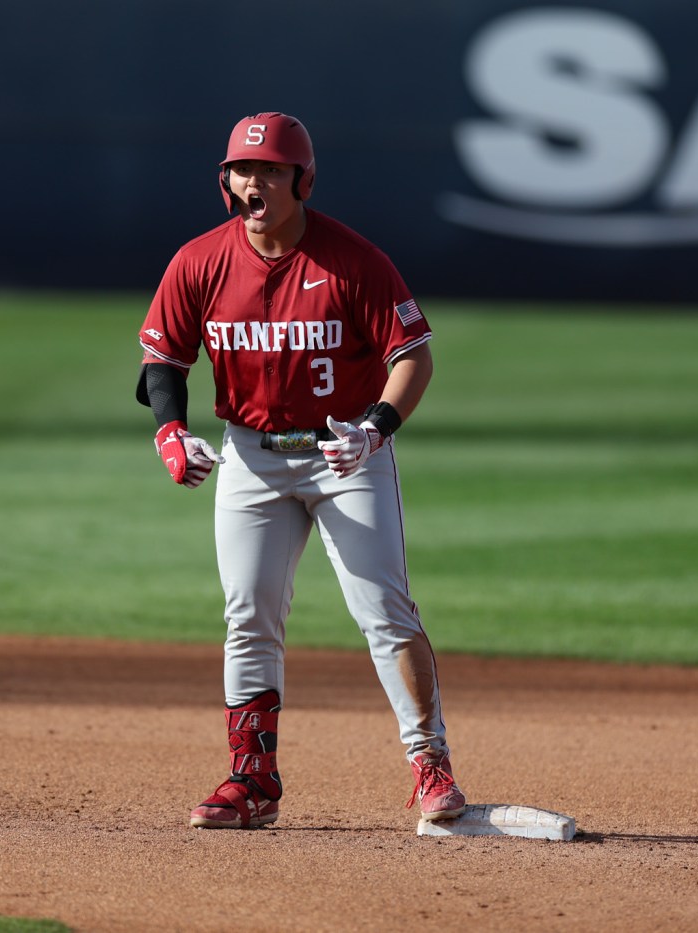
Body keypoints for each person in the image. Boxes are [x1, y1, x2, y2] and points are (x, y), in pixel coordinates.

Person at [135, 111, 467, 830]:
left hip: (344, 452)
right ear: (224, 180)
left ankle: (430, 762)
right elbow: (163, 359)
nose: (254, 182)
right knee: (248, 615)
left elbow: (412, 355)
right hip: (250, 457)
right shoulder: (199, 261)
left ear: (301, 180)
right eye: (242, 171)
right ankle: (251, 782)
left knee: (384, 609)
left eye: (270, 171)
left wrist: (377, 429)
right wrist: (171, 433)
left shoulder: (353, 260)